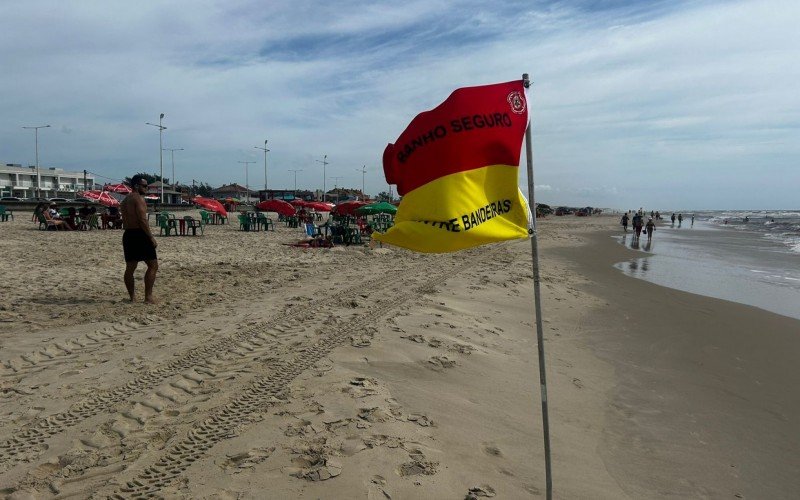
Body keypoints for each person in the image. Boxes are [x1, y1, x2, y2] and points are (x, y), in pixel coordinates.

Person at [120, 175, 158, 303]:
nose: (147, 188)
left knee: (130, 268)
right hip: (140, 234)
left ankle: (132, 298)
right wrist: (151, 237)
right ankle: (148, 297)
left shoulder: (124, 201)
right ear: (136, 186)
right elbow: (142, 219)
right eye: (145, 186)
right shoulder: (139, 199)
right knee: (153, 265)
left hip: (128, 235)